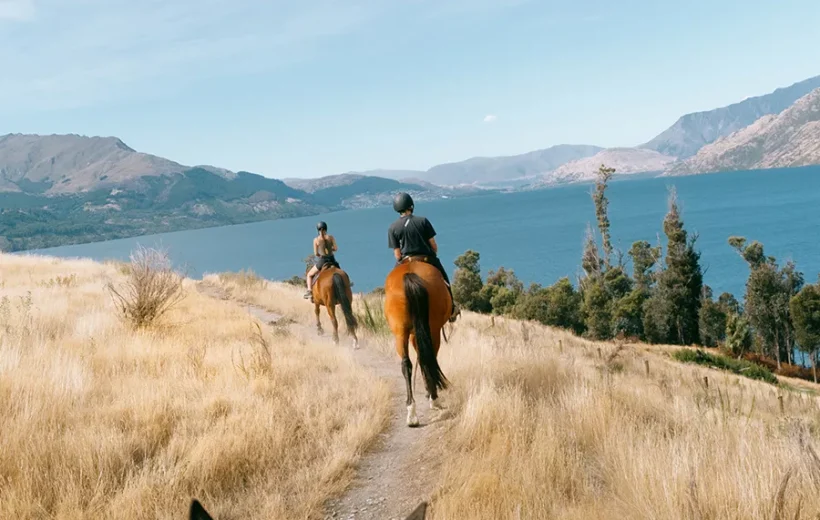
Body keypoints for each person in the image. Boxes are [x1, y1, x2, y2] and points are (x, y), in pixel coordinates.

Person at [388, 192, 459, 322]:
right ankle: (452, 308)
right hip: (426, 258)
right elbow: (434, 246)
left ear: (397, 208)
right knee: (444, 279)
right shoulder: (423, 221)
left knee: (391, 284)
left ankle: (390, 312)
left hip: (405, 260)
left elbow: (397, 255)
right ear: (411, 206)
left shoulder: (392, 227)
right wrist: (433, 254)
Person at [305, 221, 339, 300]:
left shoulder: (316, 240)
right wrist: (330, 249)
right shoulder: (331, 237)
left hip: (323, 260)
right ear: (326, 229)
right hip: (332, 260)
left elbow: (316, 253)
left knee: (309, 275)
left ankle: (309, 291)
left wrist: (320, 253)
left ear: (318, 230)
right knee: (340, 273)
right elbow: (336, 248)